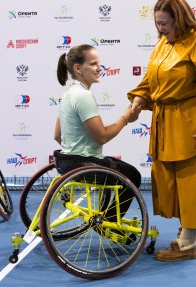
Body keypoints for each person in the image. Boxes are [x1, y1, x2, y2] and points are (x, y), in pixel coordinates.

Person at [128, 0, 196, 261]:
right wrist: (140, 97)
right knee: (172, 181)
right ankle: (189, 226)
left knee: (193, 181)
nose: (160, 28)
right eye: (157, 23)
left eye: (165, 23)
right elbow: (152, 78)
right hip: (165, 122)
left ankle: (187, 244)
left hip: (192, 122)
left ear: (181, 19)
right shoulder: (163, 43)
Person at [53, 44, 141, 222]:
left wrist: (77, 147)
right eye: (93, 64)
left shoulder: (69, 93)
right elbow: (102, 136)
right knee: (133, 175)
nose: (99, 68)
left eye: (98, 64)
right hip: (85, 164)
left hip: (65, 162)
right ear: (78, 68)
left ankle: (108, 218)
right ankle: (109, 223)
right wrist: (126, 118)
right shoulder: (83, 96)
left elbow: (57, 136)